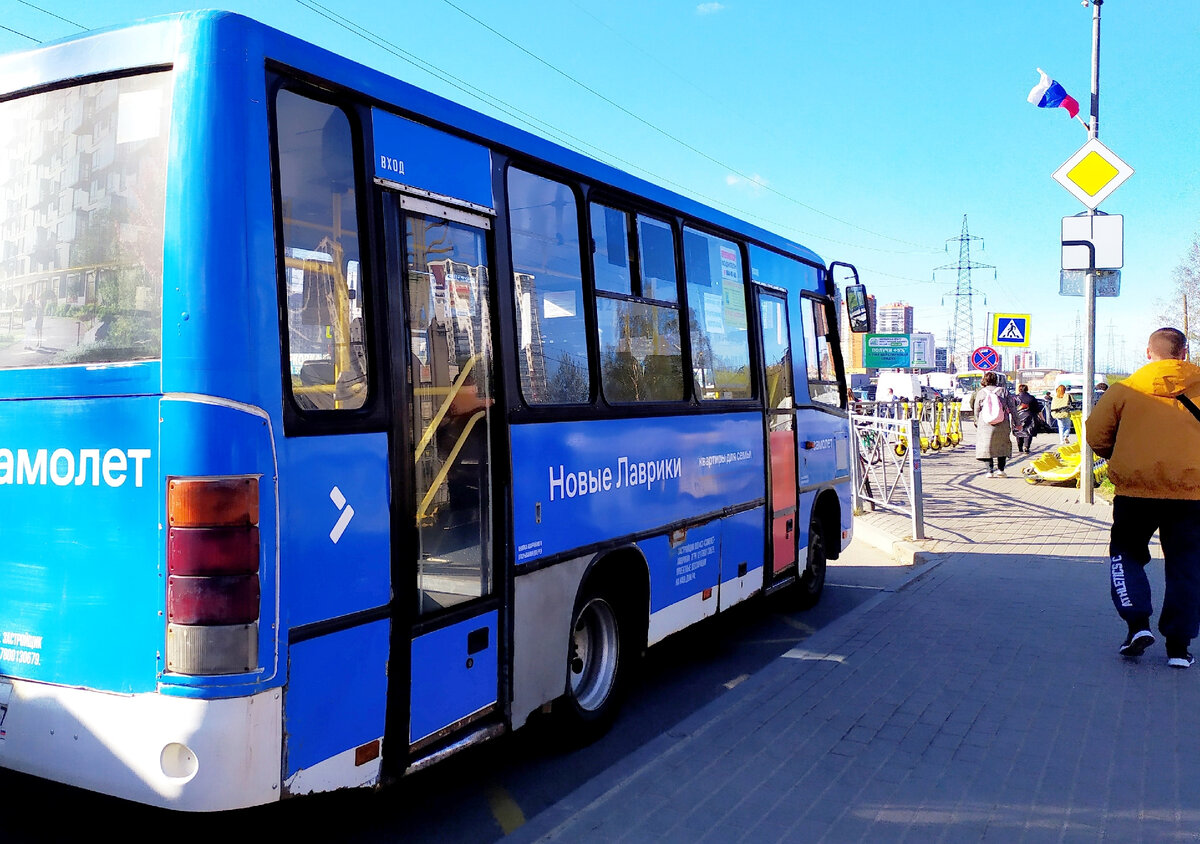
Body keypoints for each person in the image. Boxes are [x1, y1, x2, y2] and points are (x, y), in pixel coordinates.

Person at [1087, 327, 1200, 668]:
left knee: (1126, 554)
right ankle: (1179, 649)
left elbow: (1096, 433)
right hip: (1192, 492)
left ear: (1148, 352)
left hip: (1135, 491)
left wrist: (1121, 457)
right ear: (1184, 352)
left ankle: (1137, 626)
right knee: (1188, 566)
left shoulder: (1125, 389)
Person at [973, 370, 1015, 478]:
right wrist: (1017, 422)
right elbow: (1012, 408)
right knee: (1002, 445)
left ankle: (989, 471)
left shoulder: (981, 392)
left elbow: (976, 409)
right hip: (1002, 422)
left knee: (986, 446)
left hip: (985, 423)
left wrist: (977, 422)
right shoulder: (1003, 391)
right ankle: (1001, 470)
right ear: (996, 380)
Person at [1012, 383, 1042, 454]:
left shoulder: (1015, 398)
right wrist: (1042, 418)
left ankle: (1020, 447)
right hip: (1029, 416)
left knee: (1018, 432)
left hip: (1017, 416)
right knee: (1028, 432)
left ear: (1019, 389)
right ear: (1027, 389)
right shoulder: (1032, 398)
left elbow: (1012, 408)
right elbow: (1037, 409)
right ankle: (1026, 446)